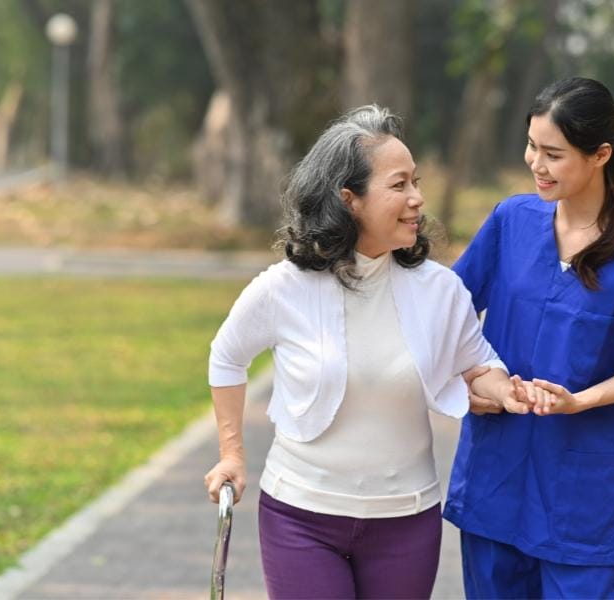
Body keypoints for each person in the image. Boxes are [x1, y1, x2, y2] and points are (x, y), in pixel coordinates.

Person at [206, 104, 522, 599]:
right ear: (348, 199)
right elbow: (226, 356)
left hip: (407, 522)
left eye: (416, 182)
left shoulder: (440, 289)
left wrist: (507, 390)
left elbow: (478, 364)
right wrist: (232, 453)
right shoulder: (284, 289)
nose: (418, 198)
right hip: (300, 518)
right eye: (399, 185)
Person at [444, 77, 614, 599]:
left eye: (553, 154)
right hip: (498, 474)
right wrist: (471, 381)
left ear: (600, 154)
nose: (535, 164)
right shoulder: (511, 221)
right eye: (531, 146)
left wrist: (578, 401)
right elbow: (447, 317)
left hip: (586, 492)